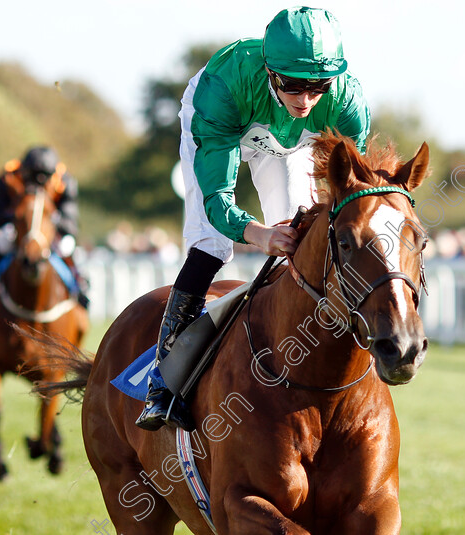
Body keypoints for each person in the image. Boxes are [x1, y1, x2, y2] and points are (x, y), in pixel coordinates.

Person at [136, 6, 371, 430]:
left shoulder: (347, 103)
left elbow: (351, 193)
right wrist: (258, 235)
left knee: (300, 238)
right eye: (293, 86)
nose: (305, 100)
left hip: (283, 143)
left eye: (317, 86)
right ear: (271, 72)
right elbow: (217, 199)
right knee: (212, 244)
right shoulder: (222, 90)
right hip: (225, 121)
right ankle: (162, 383)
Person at [0, 146, 89, 308]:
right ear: (23, 171)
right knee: (1, 242)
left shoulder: (65, 182)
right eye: (32, 178)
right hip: (15, 229)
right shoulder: (8, 178)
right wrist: (18, 217)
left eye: (43, 179)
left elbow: (71, 225)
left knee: (67, 246)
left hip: (52, 232)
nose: (37, 185)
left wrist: (48, 219)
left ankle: (79, 289)